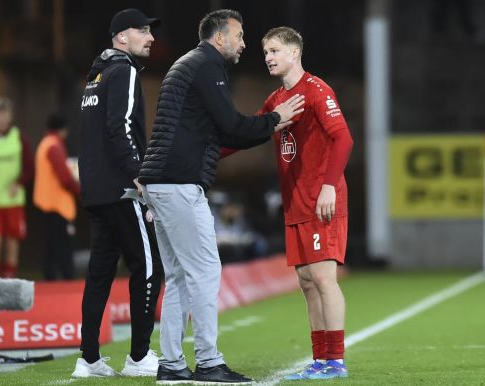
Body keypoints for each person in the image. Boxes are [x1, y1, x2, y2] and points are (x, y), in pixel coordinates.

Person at [138, 9, 304, 385]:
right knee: (205, 271)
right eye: (240, 35)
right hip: (178, 182)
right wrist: (274, 119)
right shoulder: (205, 66)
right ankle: (209, 362)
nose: (245, 43)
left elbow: (222, 132)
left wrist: (265, 123)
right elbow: (230, 126)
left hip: (162, 182)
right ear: (219, 38)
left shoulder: (189, 65)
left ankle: (172, 364)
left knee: (180, 276)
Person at [72, 8, 163, 378]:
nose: (151, 37)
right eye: (142, 30)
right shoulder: (123, 70)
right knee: (149, 267)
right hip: (123, 191)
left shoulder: (96, 74)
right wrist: (139, 176)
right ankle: (139, 358)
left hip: (95, 191)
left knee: (99, 275)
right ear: (121, 38)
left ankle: (88, 359)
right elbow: (120, 128)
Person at [259, 27, 353, 380]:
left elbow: (343, 138)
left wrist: (329, 187)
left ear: (294, 53)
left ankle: (336, 360)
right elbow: (249, 133)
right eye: (265, 51)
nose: (268, 57)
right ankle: (320, 359)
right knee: (306, 281)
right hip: (295, 202)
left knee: (323, 277)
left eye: (275, 50)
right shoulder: (275, 102)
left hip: (320, 200)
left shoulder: (316, 90)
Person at [33, 114, 80, 280]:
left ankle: (50, 281)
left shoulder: (44, 144)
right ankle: (66, 284)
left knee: (51, 249)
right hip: (58, 206)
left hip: (46, 204)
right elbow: (66, 177)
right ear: (63, 129)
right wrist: (80, 191)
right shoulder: (54, 146)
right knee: (64, 250)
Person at [0, 96, 33, 279]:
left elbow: (29, 166)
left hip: (13, 201)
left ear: (10, 116)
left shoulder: (19, 137)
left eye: (4, 114)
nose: (1, 118)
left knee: (12, 240)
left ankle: (9, 280)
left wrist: (18, 183)